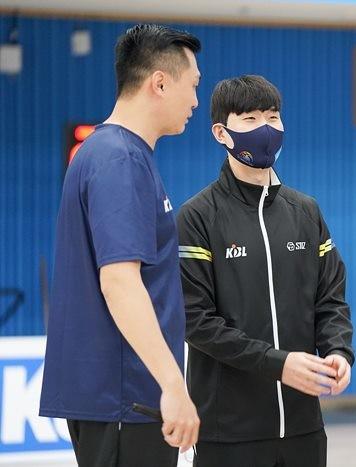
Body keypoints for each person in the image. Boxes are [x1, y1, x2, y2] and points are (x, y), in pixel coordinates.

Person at [39, 24, 202, 467]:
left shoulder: (113, 153)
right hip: (126, 397)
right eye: (193, 85)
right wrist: (172, 383)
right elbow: (120, 282)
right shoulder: (119, 158)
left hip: (123, 396)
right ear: (160, 83)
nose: (195, 101)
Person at [177, 75, 354, 467]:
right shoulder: (197, 217)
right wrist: (278, 364)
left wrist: (338, 350)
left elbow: (330, 299)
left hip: (304, 428)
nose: (266, 129)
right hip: (228, 431)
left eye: (273, 117)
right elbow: (195, 320)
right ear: (221, 133)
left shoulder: (306, 211)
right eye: (250, 119)